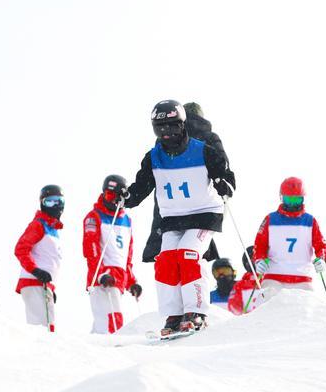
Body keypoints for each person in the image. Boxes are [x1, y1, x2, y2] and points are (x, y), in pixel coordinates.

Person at [124, 99, 235, 335]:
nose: (166, 133)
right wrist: (125, 198)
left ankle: (196, 312)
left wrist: (224, 184)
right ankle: (173, 315)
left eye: (172, 127)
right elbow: (141, 188)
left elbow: (225, 175)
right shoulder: (153, 157)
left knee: (188, 254)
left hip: (204, 214)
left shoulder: (202, 150)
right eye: (160, 128)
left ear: (182, 125)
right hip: (173, 218)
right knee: (165, 260)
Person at [142, 101, 225, 263]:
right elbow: (221, 165)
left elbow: (152, 175)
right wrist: (223, 184)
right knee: (192, 256)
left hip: (172, 206)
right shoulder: (209, 138)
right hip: (202, 208)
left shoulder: (163, 140)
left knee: (169, 262)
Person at [83, 175, 142, 334]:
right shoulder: (94, 217)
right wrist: (101, 274)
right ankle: (112, 352)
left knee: (105, 322)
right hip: (103, 278)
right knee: (112, 320)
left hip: (119, 278)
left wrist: (131, 281)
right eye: (106, 195)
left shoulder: (126, 220)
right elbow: (91, 250)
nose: (109, 200)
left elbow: (126, 257)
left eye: (113, 196)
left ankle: (89, 353)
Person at [252, 177, 326, 296]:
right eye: (289, 200)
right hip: (274, 277)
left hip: (302, 278)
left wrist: (322, 259)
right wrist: (259, 260)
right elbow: (260, 244)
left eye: (296, 200)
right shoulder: (270, 219)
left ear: (303, 199)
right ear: (281, 198)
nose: (293, 205)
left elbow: (321, 244)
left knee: (309, 309)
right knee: (268, 306)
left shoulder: (310, 221)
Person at [15, 185, 64, 331]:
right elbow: (20, 249)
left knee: (49, 326)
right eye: (49, 202)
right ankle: (38, 353)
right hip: (34, 281)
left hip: (43, 284)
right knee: (41, 327)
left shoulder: (52, 229)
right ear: (42, 203)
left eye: (58, 201)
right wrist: (36, 271)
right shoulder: (38, 225)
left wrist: (50, 287)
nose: (54, 206)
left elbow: (49, 259)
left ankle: (46, 353)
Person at [228, 246, 264, 315]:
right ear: (247, 263)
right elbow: (233, 307)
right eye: (253, 259)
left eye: (258, 258)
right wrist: (243, 318)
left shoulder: (269, 280)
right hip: (249, 323)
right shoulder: (240, 286)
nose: (256, 261)